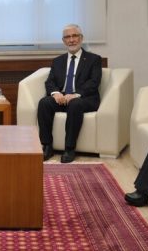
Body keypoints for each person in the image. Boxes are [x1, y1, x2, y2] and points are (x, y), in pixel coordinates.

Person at [37, 24, 102, 163]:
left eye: (74, 36)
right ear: (63, 41)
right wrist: (56, 93)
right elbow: (50, 81)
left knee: (75, 104)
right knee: (44, 103)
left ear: (81, 38)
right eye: (67, 37)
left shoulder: (94, 59)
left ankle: (69, 149)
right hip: (62, 98)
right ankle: (47, 146)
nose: (71, 40)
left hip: (83, 98)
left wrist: (75, 94)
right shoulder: (58, 61)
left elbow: (94, 82)